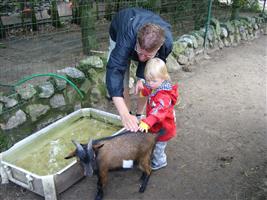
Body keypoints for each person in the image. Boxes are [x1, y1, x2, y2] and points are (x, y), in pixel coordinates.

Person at [106, 8, 173, 132]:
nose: (141, 58)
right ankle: (128, 116)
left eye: (147, 56)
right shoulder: (127, 37)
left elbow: (152, 69)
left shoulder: (167, 44)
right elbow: (115, 71)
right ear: (136, 41)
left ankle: (139, 115)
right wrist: (124, 114)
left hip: (145, 44)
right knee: (122, 80)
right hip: (120, 31)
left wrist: (142, 78)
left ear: (158, 48)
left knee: (148, 80)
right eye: (139, 53)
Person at [138, 58, 178, 170]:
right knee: (153, 142)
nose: (150, 83)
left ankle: (160, 161)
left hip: (164, 128)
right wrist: (144, 90)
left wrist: (147, 122)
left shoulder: (164, 96)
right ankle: (154, 157)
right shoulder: (155, 86)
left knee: (158, 147)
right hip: (157, 126)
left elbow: (158, 111)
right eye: (148, 80)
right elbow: (149, 88)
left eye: (153, 81)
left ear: (163, 78)